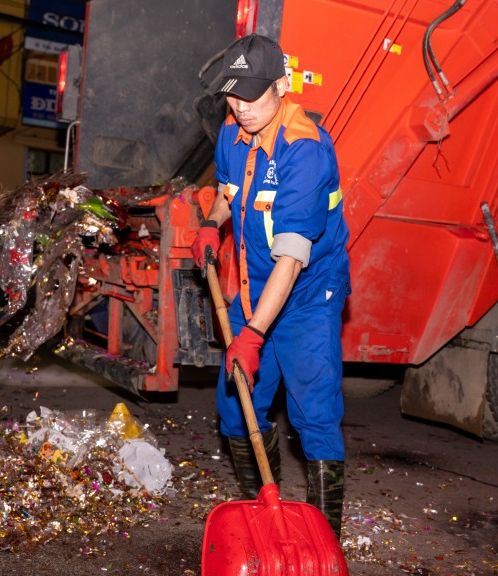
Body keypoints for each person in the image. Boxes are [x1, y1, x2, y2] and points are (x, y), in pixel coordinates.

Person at [192, 34, 351, 538]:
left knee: (314, 412)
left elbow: (291, 258)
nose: (241, 109)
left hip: (306, 293)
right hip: (254, 287)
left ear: (283, 85)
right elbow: (227, 191)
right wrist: (210, 224)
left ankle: (325, 540)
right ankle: (265, 516)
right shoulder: (232, 130)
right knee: (235, 405)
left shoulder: (305, 151)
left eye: (253, 97)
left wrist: (254, 334)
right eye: (234, 97)